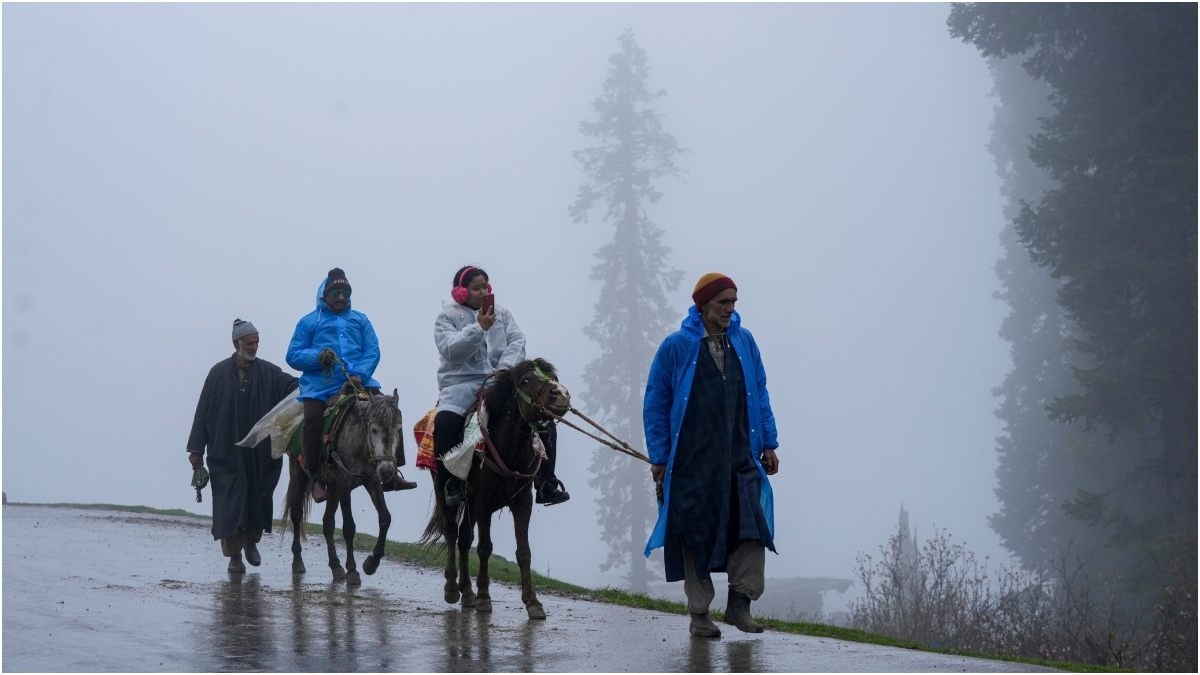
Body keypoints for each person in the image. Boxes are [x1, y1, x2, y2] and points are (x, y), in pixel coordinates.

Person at [642, 273, 781, 638]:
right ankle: (700, 613)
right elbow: (656, 402)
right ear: (703, 305)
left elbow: (760, 392)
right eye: (723, 302)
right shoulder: (676, 347)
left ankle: (740, 604)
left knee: (751, 527)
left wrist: (769, 442)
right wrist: (660, 456)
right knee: (695, 533)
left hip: (740, 456)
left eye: (733, 302)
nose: (729, 309)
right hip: (692, 460)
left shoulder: (744, 341)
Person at [433, 265, 570, 507]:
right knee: (445, 423)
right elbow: (451, 350)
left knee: (542, 418)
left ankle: (546, 482)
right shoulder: (447, 317)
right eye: (476, 288)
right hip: (460, 387)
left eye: (485, 287)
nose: (483, 292)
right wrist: (479, 328)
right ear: (461, 292)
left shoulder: (502, 313)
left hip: (501, 382)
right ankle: (450, 484)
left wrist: (505, 369)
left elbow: (517, 340)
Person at [286, 267, 417, 503]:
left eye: (345, 293)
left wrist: (359, 374)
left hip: (359, 382)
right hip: (321, 387)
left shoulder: (360, 320)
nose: (341, 297)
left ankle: (393, 472)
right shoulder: (309, 322)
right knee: (313, 419)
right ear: (325, 294)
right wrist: (318, 357)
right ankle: (315, 476)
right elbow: (293, 355)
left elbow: (372, 350)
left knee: (390, 411)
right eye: (335, 293)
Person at [187, 319, 299, 574]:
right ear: (237, 343)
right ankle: (234, 556)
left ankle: (251, 542)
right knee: (228, 504)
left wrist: (319, 378)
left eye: (257, 342)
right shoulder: (217, 374)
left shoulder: (269, 372)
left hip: (260, 453)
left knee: (258, 498)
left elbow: (292, 386)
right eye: (249, 343)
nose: (254, 347)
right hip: (225, 452)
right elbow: (202, 412)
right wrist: (196, 451)